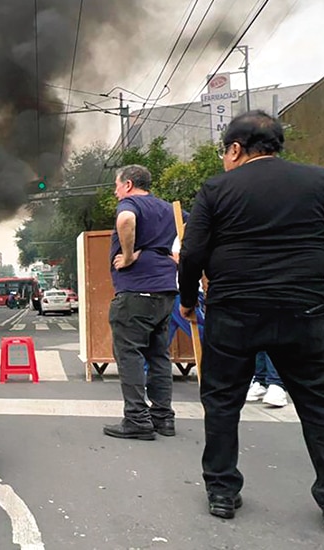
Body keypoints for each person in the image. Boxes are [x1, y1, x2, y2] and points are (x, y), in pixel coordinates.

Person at [179, 111, 324, 536]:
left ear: (235, 149)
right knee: (319, 404)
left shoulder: (216, 189)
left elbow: (192, 253)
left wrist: (188, 301)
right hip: (301, 311)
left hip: (233, 312)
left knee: (223, 401)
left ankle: (222, 492)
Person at [103, 164, 179, 441]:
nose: (115, 191)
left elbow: (125, 220)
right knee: (159, 355)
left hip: (136, 290)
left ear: (129, 184)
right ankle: (163, 418)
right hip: (166, 289)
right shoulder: (168, 208)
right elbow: (192, 229)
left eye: (117, 185)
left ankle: (136, 418)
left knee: (129, 354)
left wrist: (129, 255)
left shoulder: (131, 203)